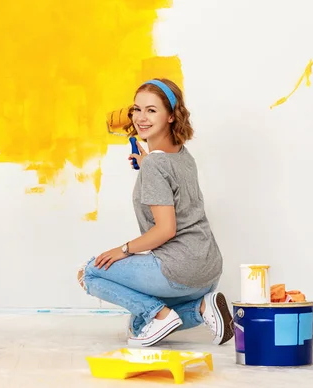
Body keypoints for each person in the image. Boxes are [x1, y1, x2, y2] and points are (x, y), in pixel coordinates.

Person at [77, 78, 233, 347]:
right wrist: (147, 162)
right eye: (136, 109)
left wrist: (123, 250)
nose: (141, 118)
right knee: (138, 327)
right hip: (208, 270)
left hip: (179, 269)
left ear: (171, 115)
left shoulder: (154, 166)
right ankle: (202, 308)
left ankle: (158, 314)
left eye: (151, 110)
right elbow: (165, 171)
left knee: (89, 273)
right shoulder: (183, 155)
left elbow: (166, 230)